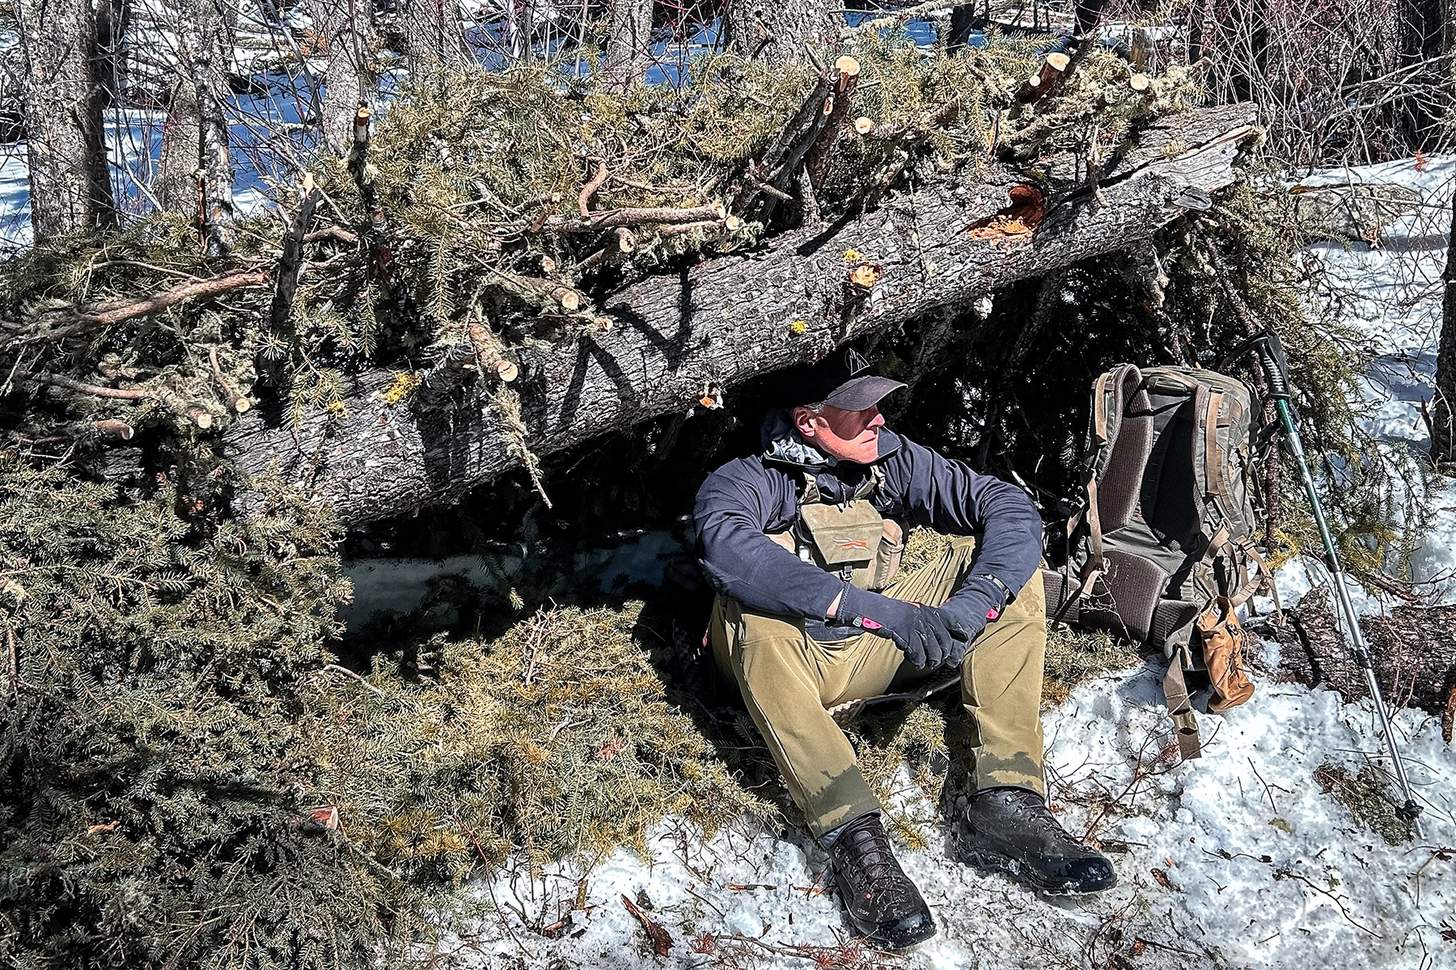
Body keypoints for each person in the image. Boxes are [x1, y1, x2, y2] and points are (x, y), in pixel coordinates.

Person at [693, 350, 1115, 950]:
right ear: (809, 421)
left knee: (1014, 575)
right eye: (858, 410)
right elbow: (727, 548)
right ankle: (854, 838)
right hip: (791, 667)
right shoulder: (748, 479)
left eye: (877, 407)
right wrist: (881, 612)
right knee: (753, 614)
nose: (878, 420)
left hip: (870, 652)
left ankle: (1006, 798)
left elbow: (1006, 506)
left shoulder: (890, 460)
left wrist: (977, 604)